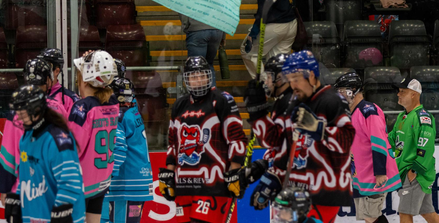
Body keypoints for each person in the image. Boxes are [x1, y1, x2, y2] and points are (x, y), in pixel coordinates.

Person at [246, 50, 355, 223]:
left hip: (324, 191)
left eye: (296, 79)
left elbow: (347, 141)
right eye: (290, 79)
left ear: (312, 76)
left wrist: (319, 129)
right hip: (297, 190)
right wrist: (257, 114)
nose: (292, 84)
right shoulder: (296, 102)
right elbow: (278, 143)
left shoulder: (333, 100)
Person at [158, 56, 248, 223]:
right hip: (183, 184)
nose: (198, 80)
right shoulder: (179, 105)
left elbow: (236, 138)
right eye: (193, 76)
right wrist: (169, 174)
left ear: (209, 76)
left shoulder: (222, 100)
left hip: (212, 183)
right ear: (187, 80)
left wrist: (234, 172)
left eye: (202, 75)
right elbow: (173, 143)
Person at [4, 85, 86, 223]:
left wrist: (62, 210)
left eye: (23, 113)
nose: (19, 117)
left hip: (63, 217)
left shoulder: (58, 139)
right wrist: (17, 196)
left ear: (36, 111)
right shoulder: (26, 138)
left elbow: (70, 181)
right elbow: (26, 175)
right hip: (35, 215)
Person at [0, 58, 69, 205]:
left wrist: (5, 188)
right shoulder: (58, 108)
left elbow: (8, 153)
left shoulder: (16, 111)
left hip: (24, 186)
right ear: (48, 80)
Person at [334, 73, 401, 223]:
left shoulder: (368, 111)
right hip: (361, 173)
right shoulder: (350, 113)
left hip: (373, 173)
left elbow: (379, 142)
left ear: (354, 89)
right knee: (368, 216)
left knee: (371, 216)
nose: (340, 95)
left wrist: (380, 172)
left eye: (342, 90)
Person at [68, 50, 119, 223]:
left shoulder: (82, 108)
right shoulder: (113, 103)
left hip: (81, 183)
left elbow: (72, 148)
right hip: (102, 180)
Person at [100, 77, 153, 223]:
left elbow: (118, 149)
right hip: (139, 182)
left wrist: (107, 177)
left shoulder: (118, 116)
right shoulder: (133, 112)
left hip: (125, 184)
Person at [388, 78, 439, 223]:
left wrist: (414, 171)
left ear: (414, 94)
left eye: (403, 91)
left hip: (415, 173)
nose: (398, 94)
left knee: (404, 213)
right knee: (429, 214)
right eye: (399, 91)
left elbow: (426, 147)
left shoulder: (423, 117)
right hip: (407, 173)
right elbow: (392, 140)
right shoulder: (402, 116)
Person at [241, 0, 297, 79]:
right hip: (292, 25)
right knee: (279, 61)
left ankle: (267, 86)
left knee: (248, 52)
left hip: (275, 26)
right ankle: (282, 93)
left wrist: (253, 33)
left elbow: (262, 12)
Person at [180, 15, 225, 86]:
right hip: (217, 29)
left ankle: (197, 95)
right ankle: (212, 95)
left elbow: (183, 8)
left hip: (197, 28)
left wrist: (187, 27)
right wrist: (223, 34)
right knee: (209, 64)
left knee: (195, 68)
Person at [38, 48, 80, 113]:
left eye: (46, 67)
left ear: (56, 71)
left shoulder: (70, 98)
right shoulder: (32, 95)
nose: (41, 71)